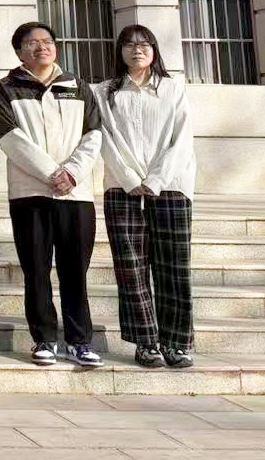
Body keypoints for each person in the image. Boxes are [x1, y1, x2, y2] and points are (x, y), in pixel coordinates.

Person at [0, 21, 103, 368]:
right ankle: (44, 339)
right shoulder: (6, 88)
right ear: (19, 51)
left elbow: (94, 134)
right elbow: (10, 137)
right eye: (32, 43)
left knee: (75, 271)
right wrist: (52, 173)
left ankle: (80, 341)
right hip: (30, 195)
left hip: (75, 194)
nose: (41, 47)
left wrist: (71, 173)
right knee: (36, 270)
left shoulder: (77, 86)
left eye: (47, 41)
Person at [94, 25, 196, 370]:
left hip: (171, 186)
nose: (137, 50)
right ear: (119, 50)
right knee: (131, 268)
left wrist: (155, 180)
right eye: (129, 44)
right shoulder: (105, 91)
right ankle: (146, 342)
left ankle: (176, 343)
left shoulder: (173, 88)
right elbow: (104, 137)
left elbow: (181, 139)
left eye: (144, 44)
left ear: (154, 50)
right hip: (122, 188)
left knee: (174, 267)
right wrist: (130, 179)